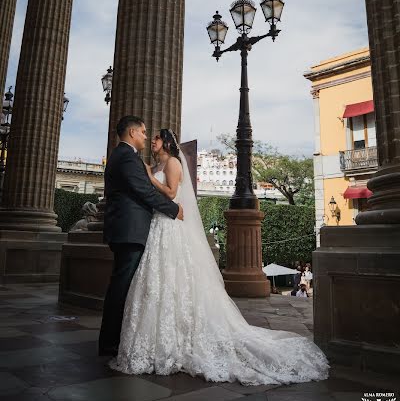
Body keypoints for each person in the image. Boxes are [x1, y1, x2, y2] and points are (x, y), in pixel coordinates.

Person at [109, 129, 329, 385]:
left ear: (166, 143)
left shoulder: (172, 162)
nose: (152, 141)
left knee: (171, 275)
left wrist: (149, 177)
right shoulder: (158, 163)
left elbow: (170, 193)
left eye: (156, 138)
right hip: (159, 225)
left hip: (170, 224)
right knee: (160, 280)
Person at [98, 116, 184, 356]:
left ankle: (113, 340)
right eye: (145, 132)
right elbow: (143, 191)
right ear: (133, 132)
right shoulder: (127, 157)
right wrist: (174, 209)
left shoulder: (123, 156)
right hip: (129, 230)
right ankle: (110, 343)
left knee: (122, 285)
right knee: (121, 287)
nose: (147, 137)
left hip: (127, 229)